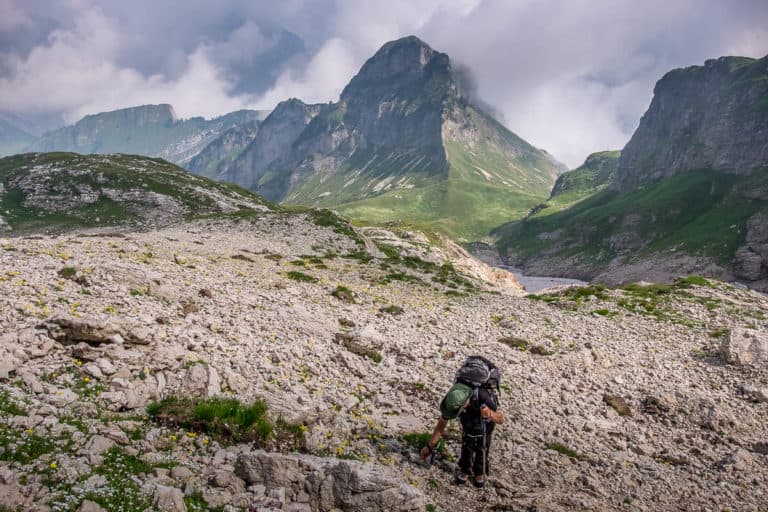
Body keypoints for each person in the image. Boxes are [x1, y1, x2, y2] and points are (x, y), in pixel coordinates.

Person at [420, 378, 504, 487]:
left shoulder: (483, 396)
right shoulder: (452, 398)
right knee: (466, 446)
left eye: (461, 408)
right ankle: (465, 470)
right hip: (468, 426)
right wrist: (429, 447)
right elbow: (441, 425)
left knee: (482, 448)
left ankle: (479, 472)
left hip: (485, 427)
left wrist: (490, 414)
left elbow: (501, 419)